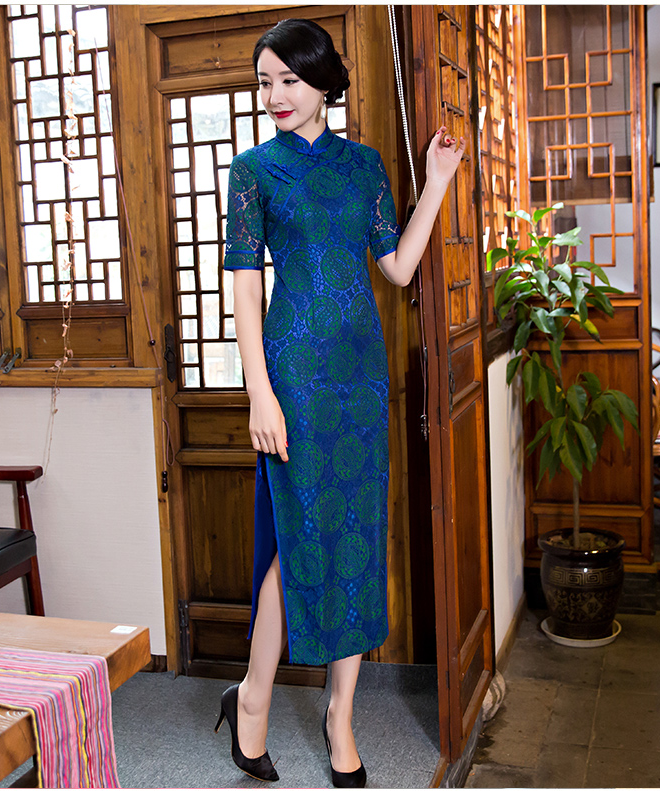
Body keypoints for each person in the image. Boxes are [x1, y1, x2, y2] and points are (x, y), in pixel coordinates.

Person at [215, 18, 465, 788]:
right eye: (265, 81)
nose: (275, 94)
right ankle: (253, 698)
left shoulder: (365, 166)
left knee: (356, 537)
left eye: (289, 79)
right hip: (292, 377)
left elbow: (397, 267)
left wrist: (437, 183)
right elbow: (245, 289)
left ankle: (340, 715)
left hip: (360, 381)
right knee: (296, 538)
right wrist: (259, 392)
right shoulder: (253, 171)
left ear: (324, 80)